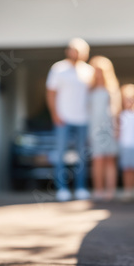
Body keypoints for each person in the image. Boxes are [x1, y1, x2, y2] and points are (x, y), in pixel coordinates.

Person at [46, 38, 94, 202]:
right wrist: (55, 114)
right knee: (60, 154)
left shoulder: (89, 71)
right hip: (63, 119)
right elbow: (51, 93)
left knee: (82, 156)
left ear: (86, 53)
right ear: (68, 51)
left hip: (83, 119)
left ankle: (80, 188)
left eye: (80, 50)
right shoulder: (58, 69)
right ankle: (62, 189)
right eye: (74, 49)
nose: (77, 53)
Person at [88, 56, 121, 201]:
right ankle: (98, 190)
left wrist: (117, 128)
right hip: (94, 128)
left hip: (109, 128)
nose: (98, 74)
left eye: (100, 71)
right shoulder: (90, 90)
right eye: (96, 71)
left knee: (109, 160)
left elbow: (117, 110)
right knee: (98, 159)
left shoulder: (112, 89)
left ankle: (110, 191)